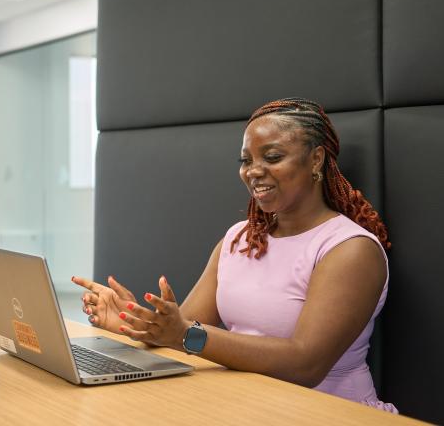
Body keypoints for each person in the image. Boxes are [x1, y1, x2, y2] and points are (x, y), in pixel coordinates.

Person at [73, 98, 397, 412]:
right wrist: (132, 322)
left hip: (329, 413)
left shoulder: (350, 249)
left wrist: (185, 334)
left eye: (272, 157)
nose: (253, 171)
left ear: (316, 160)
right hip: (246, 406)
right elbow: (181, 332)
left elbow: (306, 364)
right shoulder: (239, 238)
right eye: (246, 161)